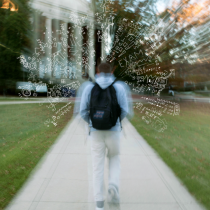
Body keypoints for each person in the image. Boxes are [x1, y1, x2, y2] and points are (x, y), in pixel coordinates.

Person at [79, 62, 130, 210]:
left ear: (98, 71)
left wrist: (92, 123)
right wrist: (115, 122)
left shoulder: (89, 88)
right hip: (113, 132)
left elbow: (83, 112)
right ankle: (113, 185)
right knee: (114, 158)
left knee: (97, 167)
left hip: (96, 133)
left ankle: (99, 203)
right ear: (112, 70)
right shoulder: (119, 87)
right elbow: (124, 110)